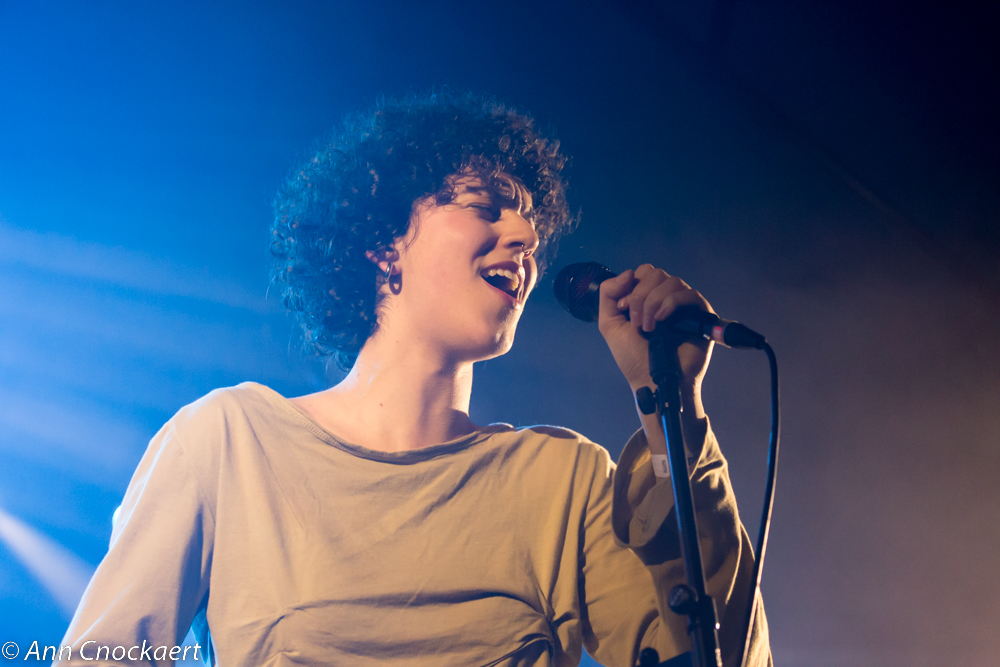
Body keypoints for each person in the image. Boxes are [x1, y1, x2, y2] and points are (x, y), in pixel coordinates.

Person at [56, 91, 771, 666]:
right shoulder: (229, 442)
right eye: (485, 207)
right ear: (382, 241)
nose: (526, 239)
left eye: (531, 227)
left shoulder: (564, 480)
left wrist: (673, 406)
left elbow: (720, 656)